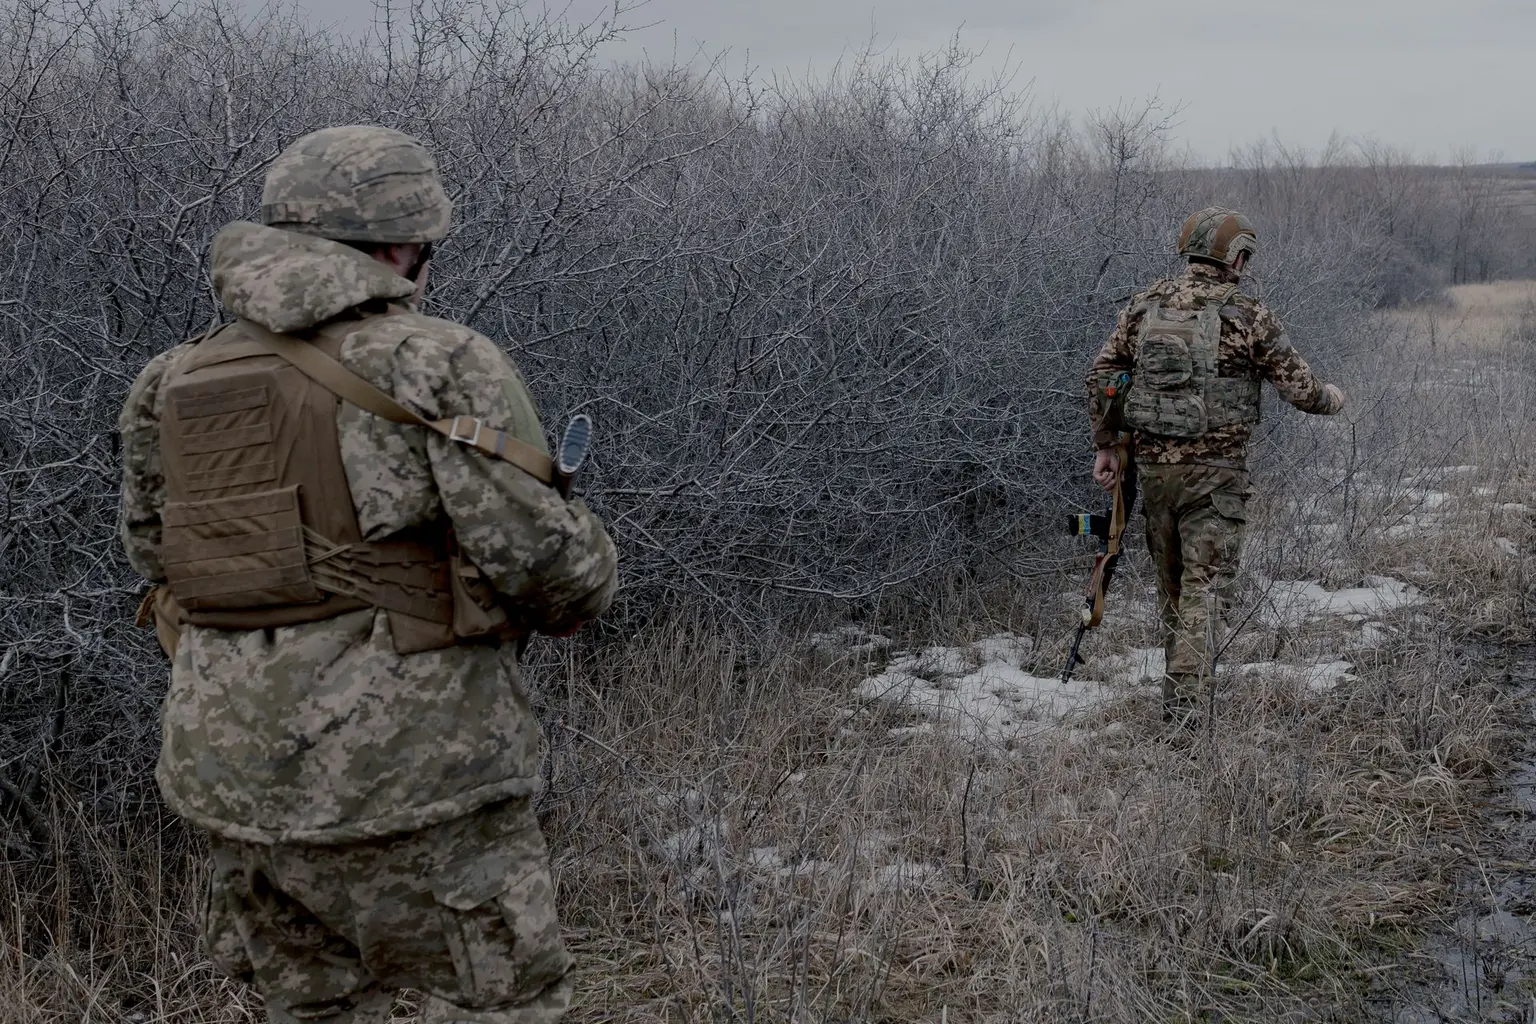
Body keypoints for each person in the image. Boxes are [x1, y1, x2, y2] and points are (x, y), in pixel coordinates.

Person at [118, 125, 618, 1024]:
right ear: (399, 248)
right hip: (413, 774)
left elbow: (157, 560)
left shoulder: (171, 379)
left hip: (231, 778)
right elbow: (546, 564)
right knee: (498, 1004)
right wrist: (586, 576)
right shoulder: (435, 358)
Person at [1085, 207, 1346, 721]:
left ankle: (1178, 698)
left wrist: (1106, 445)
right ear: (1237, 257)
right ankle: (1185, 716)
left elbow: (1103, 374)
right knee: (1204, 592)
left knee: (1174, 590)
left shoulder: (1145, 305)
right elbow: (1302, 391)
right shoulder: (1248, 315)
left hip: (1155, 475)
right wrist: (1335, 398)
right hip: (1217, 478)